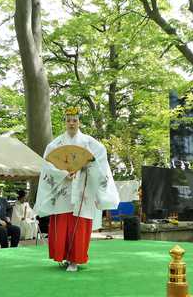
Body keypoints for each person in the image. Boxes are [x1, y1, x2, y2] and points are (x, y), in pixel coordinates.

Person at [34, 106, 120, 272]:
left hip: (83, 190)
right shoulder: (55, 144)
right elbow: (47, 166)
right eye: (68, 121)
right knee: (62, 224)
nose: (71, 123)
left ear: (79, 122)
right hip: (63, 191)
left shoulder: (90, 143)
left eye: (74, 120)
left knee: (79, 225)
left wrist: (89, 164)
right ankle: (65, 257)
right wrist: (63, 173)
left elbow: (99, 161)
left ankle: (75, 259)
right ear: (65, 122)